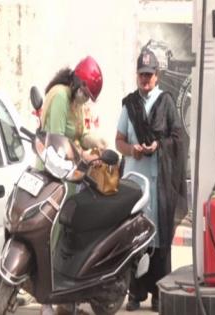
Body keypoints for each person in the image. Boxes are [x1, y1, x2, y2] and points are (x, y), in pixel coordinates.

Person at [115, 49, 187, 312]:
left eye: (150, 74)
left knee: (158, 238)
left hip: (158, 184)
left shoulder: (165, 103)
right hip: (135, 182)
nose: (145, 79)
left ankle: (158, 293)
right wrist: (132, 150)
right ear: (137, 76)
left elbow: (179, 139)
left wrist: (160, 145)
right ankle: (135, 294)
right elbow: (119, 140)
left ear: (156, 76)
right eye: (142, 75)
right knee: (135, 237)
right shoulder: (129, 105)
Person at [39, 56, 103, 315]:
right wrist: (83, 154)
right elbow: (57, 141)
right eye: (86, 93)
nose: (86, 98)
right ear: (79, 83)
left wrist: (95, 141)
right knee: (51, 236)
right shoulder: (60, 97)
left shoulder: (76, 103)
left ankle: (66, 295)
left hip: (71, 176)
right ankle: (46, 300)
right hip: (53, 175)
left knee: (68, 236)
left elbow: (77, 134)